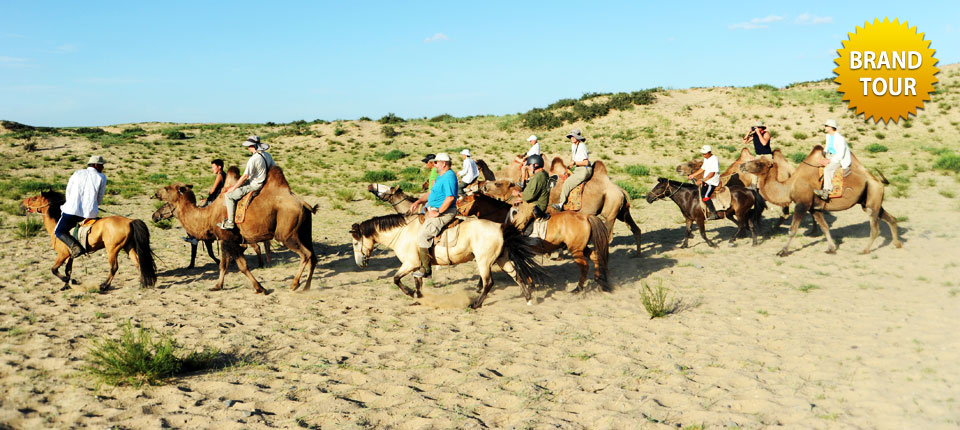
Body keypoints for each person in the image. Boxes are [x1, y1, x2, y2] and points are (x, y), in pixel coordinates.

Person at [410, 153, 458, 279]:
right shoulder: (441, 176)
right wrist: (418, 201)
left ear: (444, 163)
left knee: (423, 235)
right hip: (432, 208)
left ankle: (426, 269)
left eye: (436, 162)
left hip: (445, 211)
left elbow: (450, 198)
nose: (434, 164)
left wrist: (439, 212)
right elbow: (431, 193)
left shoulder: (449, 177)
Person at [218, 136, 276, 230]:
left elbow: (245, 176)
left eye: (249, 146)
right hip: (265, 184)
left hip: (255, 185)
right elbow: (274, 168)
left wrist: (233, 188)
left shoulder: (254, 159)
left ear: (252, 146)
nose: (248, 148)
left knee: (229, 196)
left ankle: (230, 222)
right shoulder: (268, 155)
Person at [56, 155, 108, 257]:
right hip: (90, 213)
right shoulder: (101, 177)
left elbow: (69, 191)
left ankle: (75, 247)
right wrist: (95, 204)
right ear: (96, 165)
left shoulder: (77, 173)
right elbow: (100, 197)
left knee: (58, 231)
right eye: (102, 165)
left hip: (71, 211)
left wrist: (70, 202)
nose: (103, 168)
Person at [552, 129, 592, 211]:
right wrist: (568, 167)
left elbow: (586, 162)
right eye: (571, 136)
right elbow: (573, 160)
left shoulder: (582, 146)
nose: (572, 138)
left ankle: (561, 204)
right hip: (578, 169)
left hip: (584, 169)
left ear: (578, 137)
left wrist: (574, 162)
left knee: (567, 183)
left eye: (573, 136)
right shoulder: (573, 146)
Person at [814, 119, 852, 201]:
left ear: (831, 127)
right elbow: (827, 147)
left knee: (828, 169)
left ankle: (826, 191)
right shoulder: (828, 136)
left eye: (826, 126)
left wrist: (829, 160)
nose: (825, 127)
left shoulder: (840, 138)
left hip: (838, 158)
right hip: (829, 155)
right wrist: (823, 155)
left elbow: (841, 154)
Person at [687, 145, 723, 220]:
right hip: (707, 180)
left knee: (705, 196)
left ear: (710, 152)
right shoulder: (706, 158)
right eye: (702, 154)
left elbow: (712, 174)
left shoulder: (714, 160)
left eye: (705, 154)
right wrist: (693, 175)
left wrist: (702, 180)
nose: (703, 155)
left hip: (712, 181)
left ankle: (714, 213)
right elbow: (702, 168)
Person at [512, 154, 550, 219]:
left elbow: (530, 196)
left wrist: (518, 193)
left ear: (535, 165)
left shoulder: (538, 177)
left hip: (536, 207)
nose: (528, 167)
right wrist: (522, 200)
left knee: (516, 225)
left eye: (529, 165)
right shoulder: (542, 174)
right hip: (536, 203)